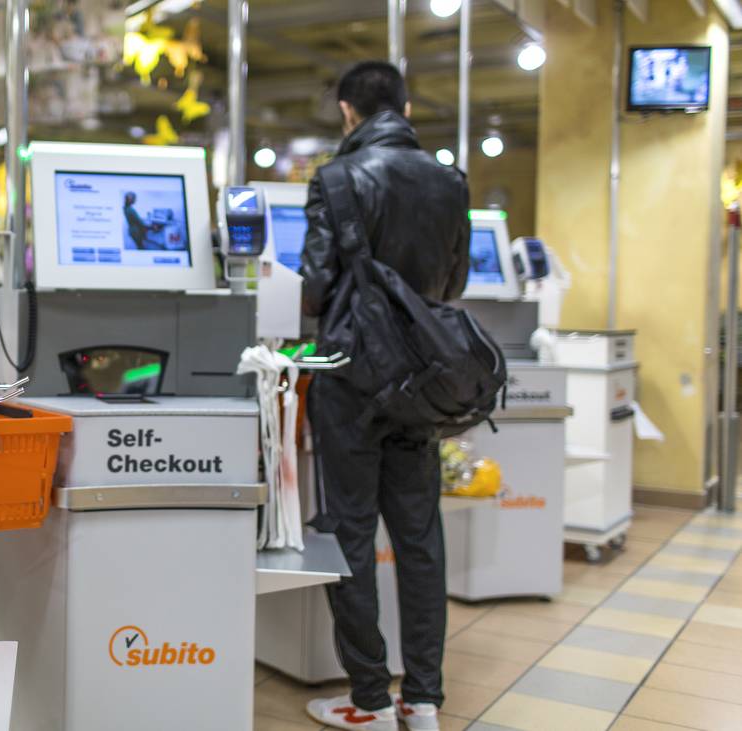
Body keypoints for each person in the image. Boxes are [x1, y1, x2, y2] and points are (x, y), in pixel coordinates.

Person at [302, 62, 470, 731]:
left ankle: (370, 697)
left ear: (348, 112)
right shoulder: (450, 182)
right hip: (421, 377)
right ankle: (423, 698)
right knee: (419, 533)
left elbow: (315, 288)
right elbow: (451, 283)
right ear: (402, 106)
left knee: (350, 534)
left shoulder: (336, 179)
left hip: (349, 376)